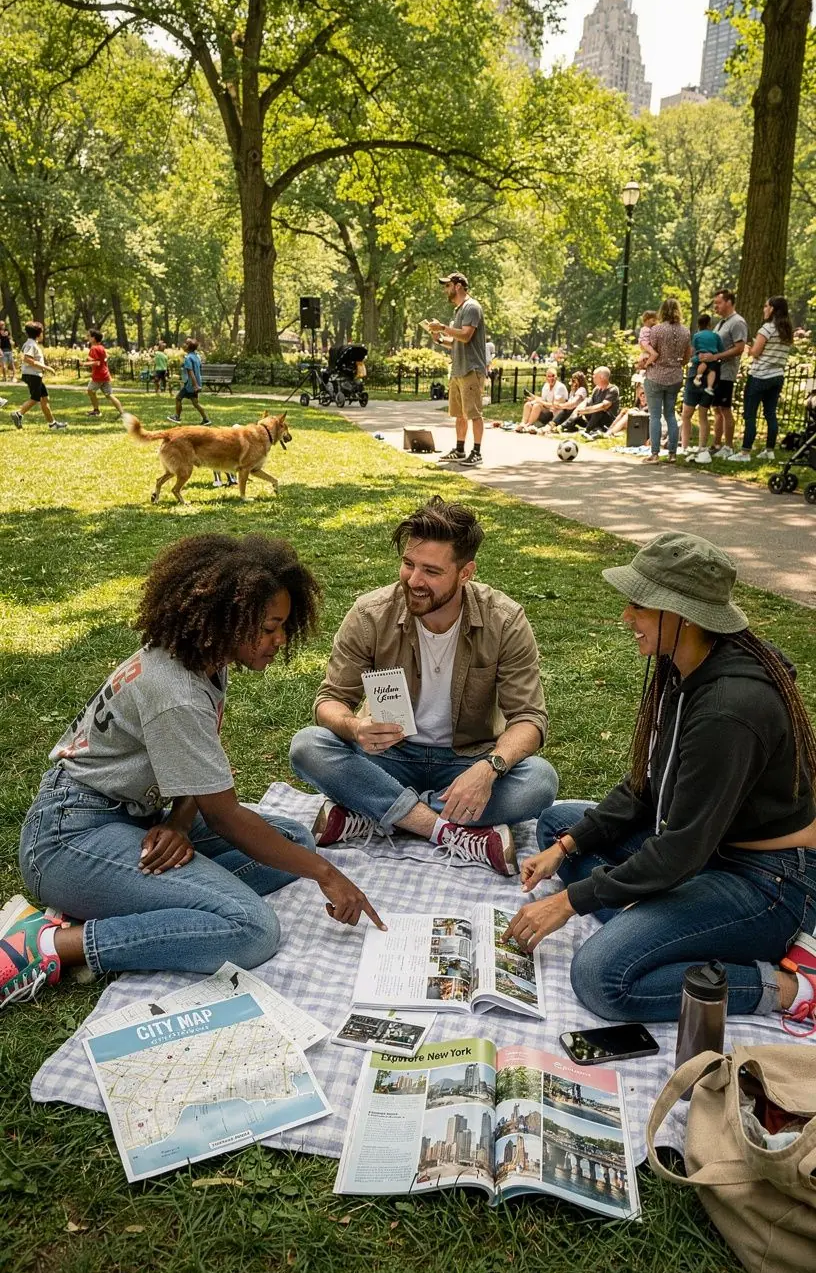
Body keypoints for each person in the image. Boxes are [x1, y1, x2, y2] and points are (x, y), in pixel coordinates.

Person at [1, 534, 383, 1012]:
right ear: (228, 619)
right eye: (270, 627)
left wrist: (180, 824)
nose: (281, 639)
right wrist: (328, 874)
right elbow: (224, 816)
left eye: (284, 626)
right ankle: (48, 944)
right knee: (251, 929)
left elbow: (188, 775)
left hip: (133, 818)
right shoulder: (176, 692)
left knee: (295, 842)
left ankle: (145, 897)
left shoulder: (203, 658)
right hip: (68, 839)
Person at [505, 532, 816, 1034]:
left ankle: (787, 987)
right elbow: (649, 785)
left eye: (639, 605)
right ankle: (662, 922)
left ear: (683, 615)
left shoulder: (727, 711)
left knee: (600, 977)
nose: (626, 616)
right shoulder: (686, 666)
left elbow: (679, 851)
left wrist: (569, 901)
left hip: (766, 881)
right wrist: (566, 846)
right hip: (706, 851)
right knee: (558, 825)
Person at [289, 497, 558, 877]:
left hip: (468, 762)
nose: (414, 580)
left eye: (431, 571)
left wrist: (489, 769)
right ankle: (445, 829)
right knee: (308, 746)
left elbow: (529, 718)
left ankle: (377, 812)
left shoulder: (505, 620)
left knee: (540, 781)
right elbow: (331, 699)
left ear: (466, 573)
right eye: (408, 564)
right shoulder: (370, 614)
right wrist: (355, 727)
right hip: (387, 758)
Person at [427, 273, 487, 467]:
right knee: (460, 414)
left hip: (471, 368)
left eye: (447, 285)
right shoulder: (458, 310)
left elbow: (466, 335)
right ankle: (460, 450)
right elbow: (456, 342)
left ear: (458, 286)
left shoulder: (472, 307)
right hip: (458, 369)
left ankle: (476, 452)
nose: (445, 290)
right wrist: (439, 339)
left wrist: (443, 327)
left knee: (474, 413)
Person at [729, 296, 796, 464]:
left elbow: (756, 352)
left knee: (750, 414)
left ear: (772, 309)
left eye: (766, 306)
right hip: (777, 376)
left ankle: (745, 452)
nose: (764, 309)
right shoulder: (786, 331)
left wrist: (749, 349)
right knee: (770, 413)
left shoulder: (767, 328)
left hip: (759, 376)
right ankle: (769, 450)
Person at [640, 298, 691, 463]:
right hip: (675, 377)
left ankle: (654, 454)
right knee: (670, 414)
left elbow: (652, 352)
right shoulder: (685, 331)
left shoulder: (656, 330)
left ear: (662, 311)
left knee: (655, 416)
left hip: (655, 376)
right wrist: (676, 364)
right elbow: (687, 357)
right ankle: (672, 454)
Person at [700, 288, 748, 459]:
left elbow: (740, 348)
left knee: (725, 409)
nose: (716, 307)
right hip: (716, 372)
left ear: (729, 302)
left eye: (718, 303)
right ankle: (717, 444)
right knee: (717, 408)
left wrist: (716, 356)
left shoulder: (737, 322)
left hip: (727, 372)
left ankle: (729, 446)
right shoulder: (721, 323)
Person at [679, 314, 724, 460]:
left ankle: (685, 446)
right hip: (711, 375)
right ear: (710, 324)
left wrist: (697, 358)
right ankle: (702, 447)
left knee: (686, 414)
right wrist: (712, 357)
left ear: (698, 325)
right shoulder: (716, 336)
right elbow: (721, 353)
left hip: (694, 376)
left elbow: (691, 355)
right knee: (703, 415)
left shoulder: (696, 336)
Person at [9, 321, 67, 431]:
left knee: (45, 398)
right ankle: (18, 414)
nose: (43, 334)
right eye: (42, 332)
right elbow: (27, 359)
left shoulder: (31, 343)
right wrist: (46, 367)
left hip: (34, 375)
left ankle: (53, 424)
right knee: (35, 398)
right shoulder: (31, 344)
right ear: (38, 334)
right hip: (32, 375)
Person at [557, 367, 620, 437]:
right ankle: (564, 425)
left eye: (594, 375)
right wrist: (581, 408)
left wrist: (585, 410)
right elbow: (589, 402)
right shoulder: (596, 389)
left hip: (607, 421)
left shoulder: (613, 389)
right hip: (595, 418)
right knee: (586, 401)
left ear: (602, 377)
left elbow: (604, 406)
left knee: (599, 408)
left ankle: (587, 430)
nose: (593, 377)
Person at [168, 338, 210, 425]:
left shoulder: (188, 358)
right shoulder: (197, 356)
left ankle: (177, 416)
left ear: (189, 347)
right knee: (195, 403)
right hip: (196, 383)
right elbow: (198, 370)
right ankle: (206, 419)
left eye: (186, 344)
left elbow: (191, 372)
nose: (184, 345)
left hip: (190, 385)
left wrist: (195, 385)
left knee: (178, 398)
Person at [85, 328, 125, 418]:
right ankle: (122, 413)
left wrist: (84, 363)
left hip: (98, 376)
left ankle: (96, 411)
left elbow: (97, 362)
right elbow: (104, 359)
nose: (87, 337)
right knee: (109, 395)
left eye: (89, 336)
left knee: (90, 391)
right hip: (105, 375)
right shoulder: (101, 347)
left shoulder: (94, 348)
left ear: (94, 338)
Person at [515, 367, 568, 432]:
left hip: (555, 413)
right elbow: (543, 400)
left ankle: (528, 425)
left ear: (556, 377)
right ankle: (523, 423)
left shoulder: (560, 387)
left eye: (553, 376)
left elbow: (555, 405)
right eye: (549, 376)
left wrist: (539, 401)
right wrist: (533, 399)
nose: (551, 378)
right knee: (528, 404)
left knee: (537, 406)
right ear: (546, 377)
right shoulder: (546, 386)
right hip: (547, 409)